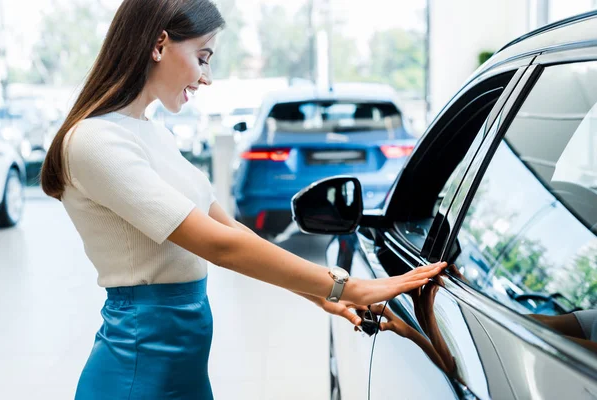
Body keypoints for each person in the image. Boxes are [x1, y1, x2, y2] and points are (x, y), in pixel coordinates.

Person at [40, 1, 448, 398]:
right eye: (202, 57)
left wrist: (324, 294)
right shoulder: (96, 140)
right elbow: (220, 247)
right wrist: (350, 287)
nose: (207, 77)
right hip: (135, 373)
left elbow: (231, 230)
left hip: (183, 370)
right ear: (159, 44)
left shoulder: (153, 133)